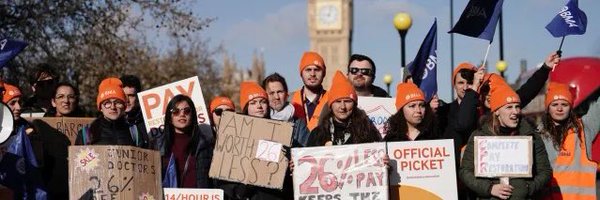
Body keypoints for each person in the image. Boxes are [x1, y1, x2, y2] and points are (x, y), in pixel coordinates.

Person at [460, 84, 552, 199]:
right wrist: (489, 188)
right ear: (497, 111)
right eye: (509, 107)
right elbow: (465, 172)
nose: (515, 112)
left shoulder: (531, 136)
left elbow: (545, 171)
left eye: (517, 106)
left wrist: (527, 188)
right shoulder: (480, 136)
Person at [538, 82, 599, 200]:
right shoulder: (538, 135)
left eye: (564, 104)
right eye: (554, 104)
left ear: (570, 107)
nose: (559, 108)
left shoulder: (584, 129)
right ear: (548, 108)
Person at [307, 71, 381, 147]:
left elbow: (379, 152)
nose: (343, 107)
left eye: (347, 101)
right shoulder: (318, 134)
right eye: (338, 101)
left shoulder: (367, 131)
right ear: (331, 105)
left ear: (354, 104)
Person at [158, 94, 214, 188]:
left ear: (192, 116)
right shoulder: (157, 145)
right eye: (176, 111)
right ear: (170, 118)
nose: (182, 114)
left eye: (187, 111)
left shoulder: (206, 145)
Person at [74, 77, 148, 147]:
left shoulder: (134, 132)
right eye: (107, 103)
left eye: (118, 102)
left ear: (124, 106)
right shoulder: (87, 134)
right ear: (100, 107)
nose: (113, 107)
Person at [262, 73, 310, 147]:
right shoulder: (259, 120)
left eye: (280, 92)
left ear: (286, 94)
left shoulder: (299, 125)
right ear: (265, 96)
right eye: (271, 93)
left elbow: (305, 154)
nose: (276, 97)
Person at [291, 51, 329, 131]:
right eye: (308, 70)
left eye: (317, 70)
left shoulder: (332, 100)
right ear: (301, 73)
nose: (312, 74)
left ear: (324, 73)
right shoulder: (289, 100)